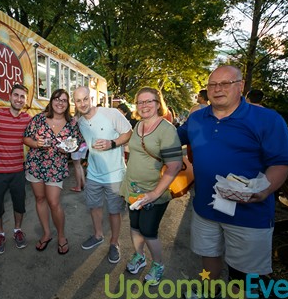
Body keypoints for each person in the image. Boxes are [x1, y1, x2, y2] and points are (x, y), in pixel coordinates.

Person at [177, 65, 288, 299]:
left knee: (241, 269)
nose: (217, 89)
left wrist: (264, 190)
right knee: (208, 254)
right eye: (212, 84)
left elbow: (281, 163)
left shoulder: (268, 120)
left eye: (225, 83)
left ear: (240, 86)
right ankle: (209, 289)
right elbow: (171, 139)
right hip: (206, 207)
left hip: (249, 212)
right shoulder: (197, 118)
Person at [120, 87, 182, 286]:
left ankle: (158, 264)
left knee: (148, 231)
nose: (144, 106)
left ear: (158, 103)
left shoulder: (167, 130)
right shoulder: (138, 125)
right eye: (140, 102)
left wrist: (154, 194)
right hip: (132, 188)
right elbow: (134, 148)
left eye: (149, 101)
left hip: (153, 192)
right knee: (135, 226)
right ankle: (139, 257)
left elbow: (175, 166)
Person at [73, 86, 132, 264]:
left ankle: (114, 243)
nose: (82, 103)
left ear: (90, 98)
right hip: (93, 173)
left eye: (85, 99)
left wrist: (112, 143)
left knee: (114, 211)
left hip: (115, 174)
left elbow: (128, 133)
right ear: (74, 103)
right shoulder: (80, 122)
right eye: (78, 101)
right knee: (94, 207)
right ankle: (98, 235)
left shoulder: (112, 113)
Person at [23, 89, 83, 254]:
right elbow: (26, 137)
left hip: (56, 167)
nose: (60, 102)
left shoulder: (72, 124)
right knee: (40, 199)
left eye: (64, 100)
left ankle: (62, 236)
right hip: (36, 164)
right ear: (51, 101)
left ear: (67, 104)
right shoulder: (40, 119)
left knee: (54, 202)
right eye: (57, 99)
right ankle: (47, 233)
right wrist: (36, 144)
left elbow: (77, 143)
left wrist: (69, 149)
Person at [0, 84, 31, 254]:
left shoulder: (28, 118)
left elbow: (45, 126)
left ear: (25, 101)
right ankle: (0, 234)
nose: (19, 99)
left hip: (17, 171)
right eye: (16, 95)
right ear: (9, 96)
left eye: (22, 96)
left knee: (19, 204)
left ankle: (17, 230)